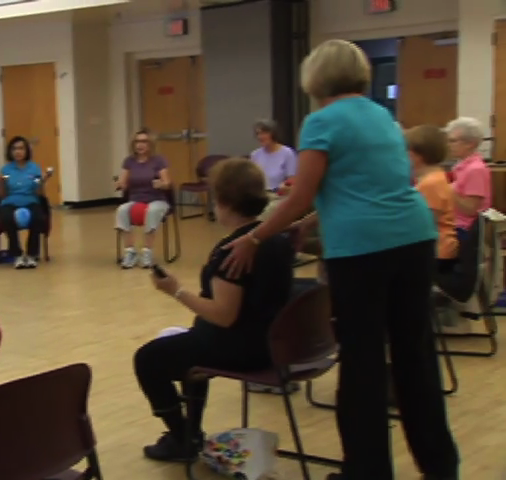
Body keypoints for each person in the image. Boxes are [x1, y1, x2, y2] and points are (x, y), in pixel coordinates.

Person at [221, 39, 459, 480]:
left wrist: (254, 238)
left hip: (364, 251)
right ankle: (441, 467)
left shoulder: (321, 122)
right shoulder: (382, 116)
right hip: (414, 240)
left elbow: (299, 196)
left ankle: (366, 472)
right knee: (415, 358)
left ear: (315, 77)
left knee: (363, 362)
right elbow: (364, 187)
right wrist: (311, 222)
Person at [133, 157, 294, 462]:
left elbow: (224, 315)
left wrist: (176, 290)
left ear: (222, 200)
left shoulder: (234, 251)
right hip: (271, 342)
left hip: (241, 347)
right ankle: (190, 432)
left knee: (148, 359)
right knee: (182, 341)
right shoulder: (274, 238)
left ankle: (182, 437)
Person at [115, 129, 172, 268]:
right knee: (122, 210)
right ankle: (130, 252)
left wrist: (161, 184)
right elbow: (123, 182)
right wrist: (120, 185)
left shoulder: (158, 160)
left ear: (150, 144)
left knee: (152, 211)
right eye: (137, 142)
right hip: (136, 200)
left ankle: (147, 252)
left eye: (144, 141)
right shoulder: (129, 161)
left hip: (157, 200)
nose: (140, 145)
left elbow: (167, 183)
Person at [405, 125, 458, 272]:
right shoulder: (434, 178)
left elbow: (424, 223)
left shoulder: (431, 183)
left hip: (438, 252)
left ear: (415, 155)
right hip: (436, 249)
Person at [0, 136, 48, 269]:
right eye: (14, 149)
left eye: (21, 148)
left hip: (30, 200)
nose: (18, 152)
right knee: (6, 217)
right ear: (10, 151)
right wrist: (0, 182)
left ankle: (32, 254)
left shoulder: (34, 168)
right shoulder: (6, 169)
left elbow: (39, 194)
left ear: (26, 151)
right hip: (10, 202)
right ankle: (16, 254)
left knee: (38, 217)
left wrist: (42, 182)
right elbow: (2, 195)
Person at [446, 117, 490, 242]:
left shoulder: (475, 169)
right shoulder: (462, 166)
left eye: (453, 141)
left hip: (464, 230)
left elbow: (471, 210)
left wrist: (447, 189)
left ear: (470, 143)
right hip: (455, 224)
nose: (449, 145)